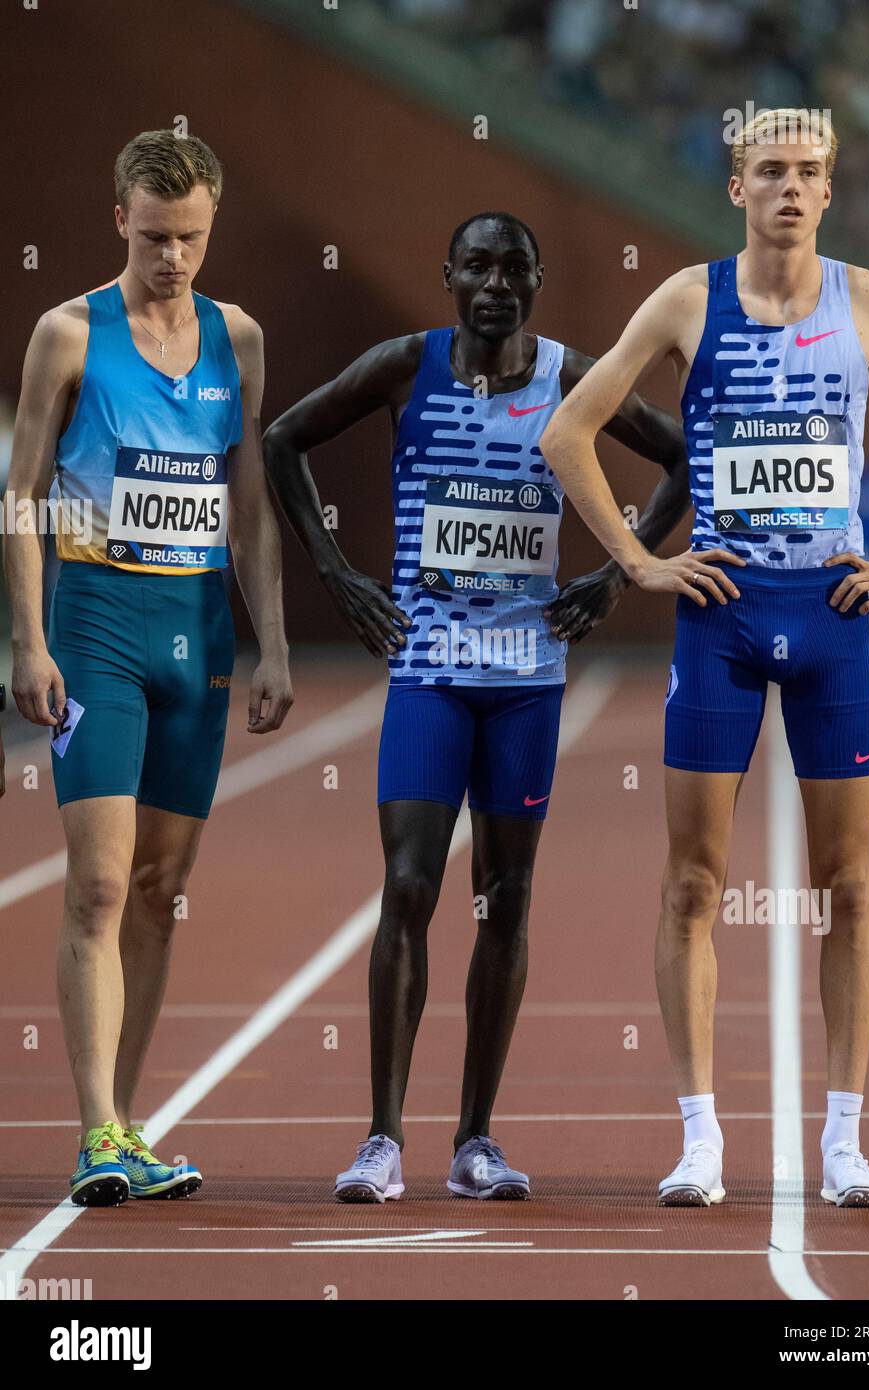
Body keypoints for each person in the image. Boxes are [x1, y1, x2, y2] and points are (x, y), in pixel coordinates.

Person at [541, 108, 869, 1208]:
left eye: (808, 171)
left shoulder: (866, 300)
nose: (788, 186)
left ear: (829, 189)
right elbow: (564, 432)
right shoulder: (688, 299)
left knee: (850, 890)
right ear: (736, 186)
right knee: (691, 883)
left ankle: (842, 1141)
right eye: (769, 169)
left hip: (831, 611)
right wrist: (636, 560)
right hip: (719, 613)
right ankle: (697, 1136)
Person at [264, 211, 731, 1202]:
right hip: (429, 665)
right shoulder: (406, 365)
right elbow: (281, 440)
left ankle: (475, 1139)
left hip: (527, 676)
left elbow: (686, 458)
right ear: (447, 275)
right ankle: (381, 1140)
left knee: (506, 899)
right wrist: (341, 575)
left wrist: (617, 574)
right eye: (476, 265)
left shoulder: (572, 375)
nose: (494, 283)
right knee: (407, 887)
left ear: (536, 282)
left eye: (513, 267)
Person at [5, 130, 293, 1206]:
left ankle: (124, 1126)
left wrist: (267, 637)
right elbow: (22, 494)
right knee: (97, 883)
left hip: (199, 637)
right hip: (97, 627)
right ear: (118, 217)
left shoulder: (240, 340)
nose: (173, 256)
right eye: (155, 234)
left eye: (192, 238)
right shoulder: (67, 334)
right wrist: (27, 640)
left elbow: (252, 502)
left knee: (163, 892)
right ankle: (92, 1136)